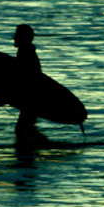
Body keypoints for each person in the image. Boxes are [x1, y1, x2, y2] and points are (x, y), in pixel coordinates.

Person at [11, 24, 63, 154]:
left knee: (22, 129)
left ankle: (43, 147)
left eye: (17, 35)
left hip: (32, 98)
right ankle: (37, 148)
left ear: (23, 38)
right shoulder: (26, 51)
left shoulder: (26, 52)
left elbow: (27, 77)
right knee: (25, 128)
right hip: (32, 97)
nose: (14, 38)